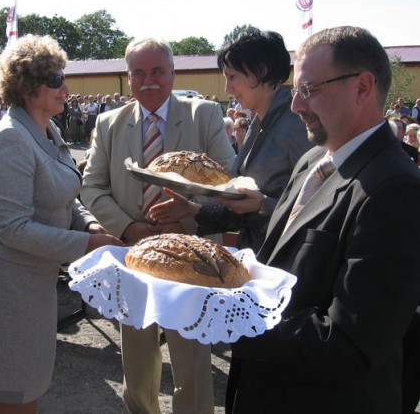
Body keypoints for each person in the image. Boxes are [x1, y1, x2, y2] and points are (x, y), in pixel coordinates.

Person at [226, 26, 420, 413]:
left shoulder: (396, 190)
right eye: (296, 89)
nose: (296, 105)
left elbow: (350, 341)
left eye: (309, 90)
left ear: (362, 87)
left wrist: (231, 320)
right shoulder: (313, 160)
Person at [81, 37, 236, 414]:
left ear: (172, 73)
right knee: (135, 355)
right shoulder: (108, 123)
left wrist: (190, 211)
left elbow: (229, 181)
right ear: (129, 77)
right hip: (133, 254)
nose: (148, 80)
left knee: (193, 360)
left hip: (190, 256)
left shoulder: (205, 115)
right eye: (138, 73)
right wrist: (128, 227)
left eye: (156, 72)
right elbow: (91, 186)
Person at [0, 35, 122, 414]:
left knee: (29, 385)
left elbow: (66, 197)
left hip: (32, 277)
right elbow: (13, 229)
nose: (65, 88)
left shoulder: (46, 130)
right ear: (26, 85)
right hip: (8, 283)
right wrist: (86, 245)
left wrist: (87, 226)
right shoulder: (9, 139)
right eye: (55, 80)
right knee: (15, 393)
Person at [151, 28, 312, 254]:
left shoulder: (297, 125)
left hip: (288, 264)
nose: (227, 88)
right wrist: (192, 210)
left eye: (232, 76)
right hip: (261, 255)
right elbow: (245, 213)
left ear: (261, 71)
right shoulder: (260, 122)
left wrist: (263, 204)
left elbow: (319, 210)